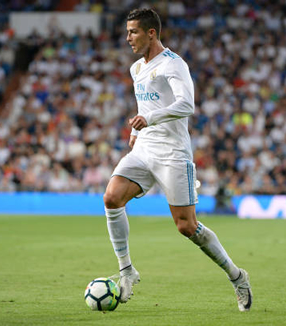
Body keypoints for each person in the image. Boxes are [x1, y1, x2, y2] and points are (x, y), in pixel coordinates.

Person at [103, 8, 252, 312]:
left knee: (187, 227)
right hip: (144, 149)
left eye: (133, 32)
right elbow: (145, 101)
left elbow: (187, 104)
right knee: (111, 197)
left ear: (151, 33)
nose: (128, 37)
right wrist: (136, 132)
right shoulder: (136, 69)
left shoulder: (174, 64)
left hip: (173, 153)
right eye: (127, 31)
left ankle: (237, 276)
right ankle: (127, 271)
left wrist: (151, 117)